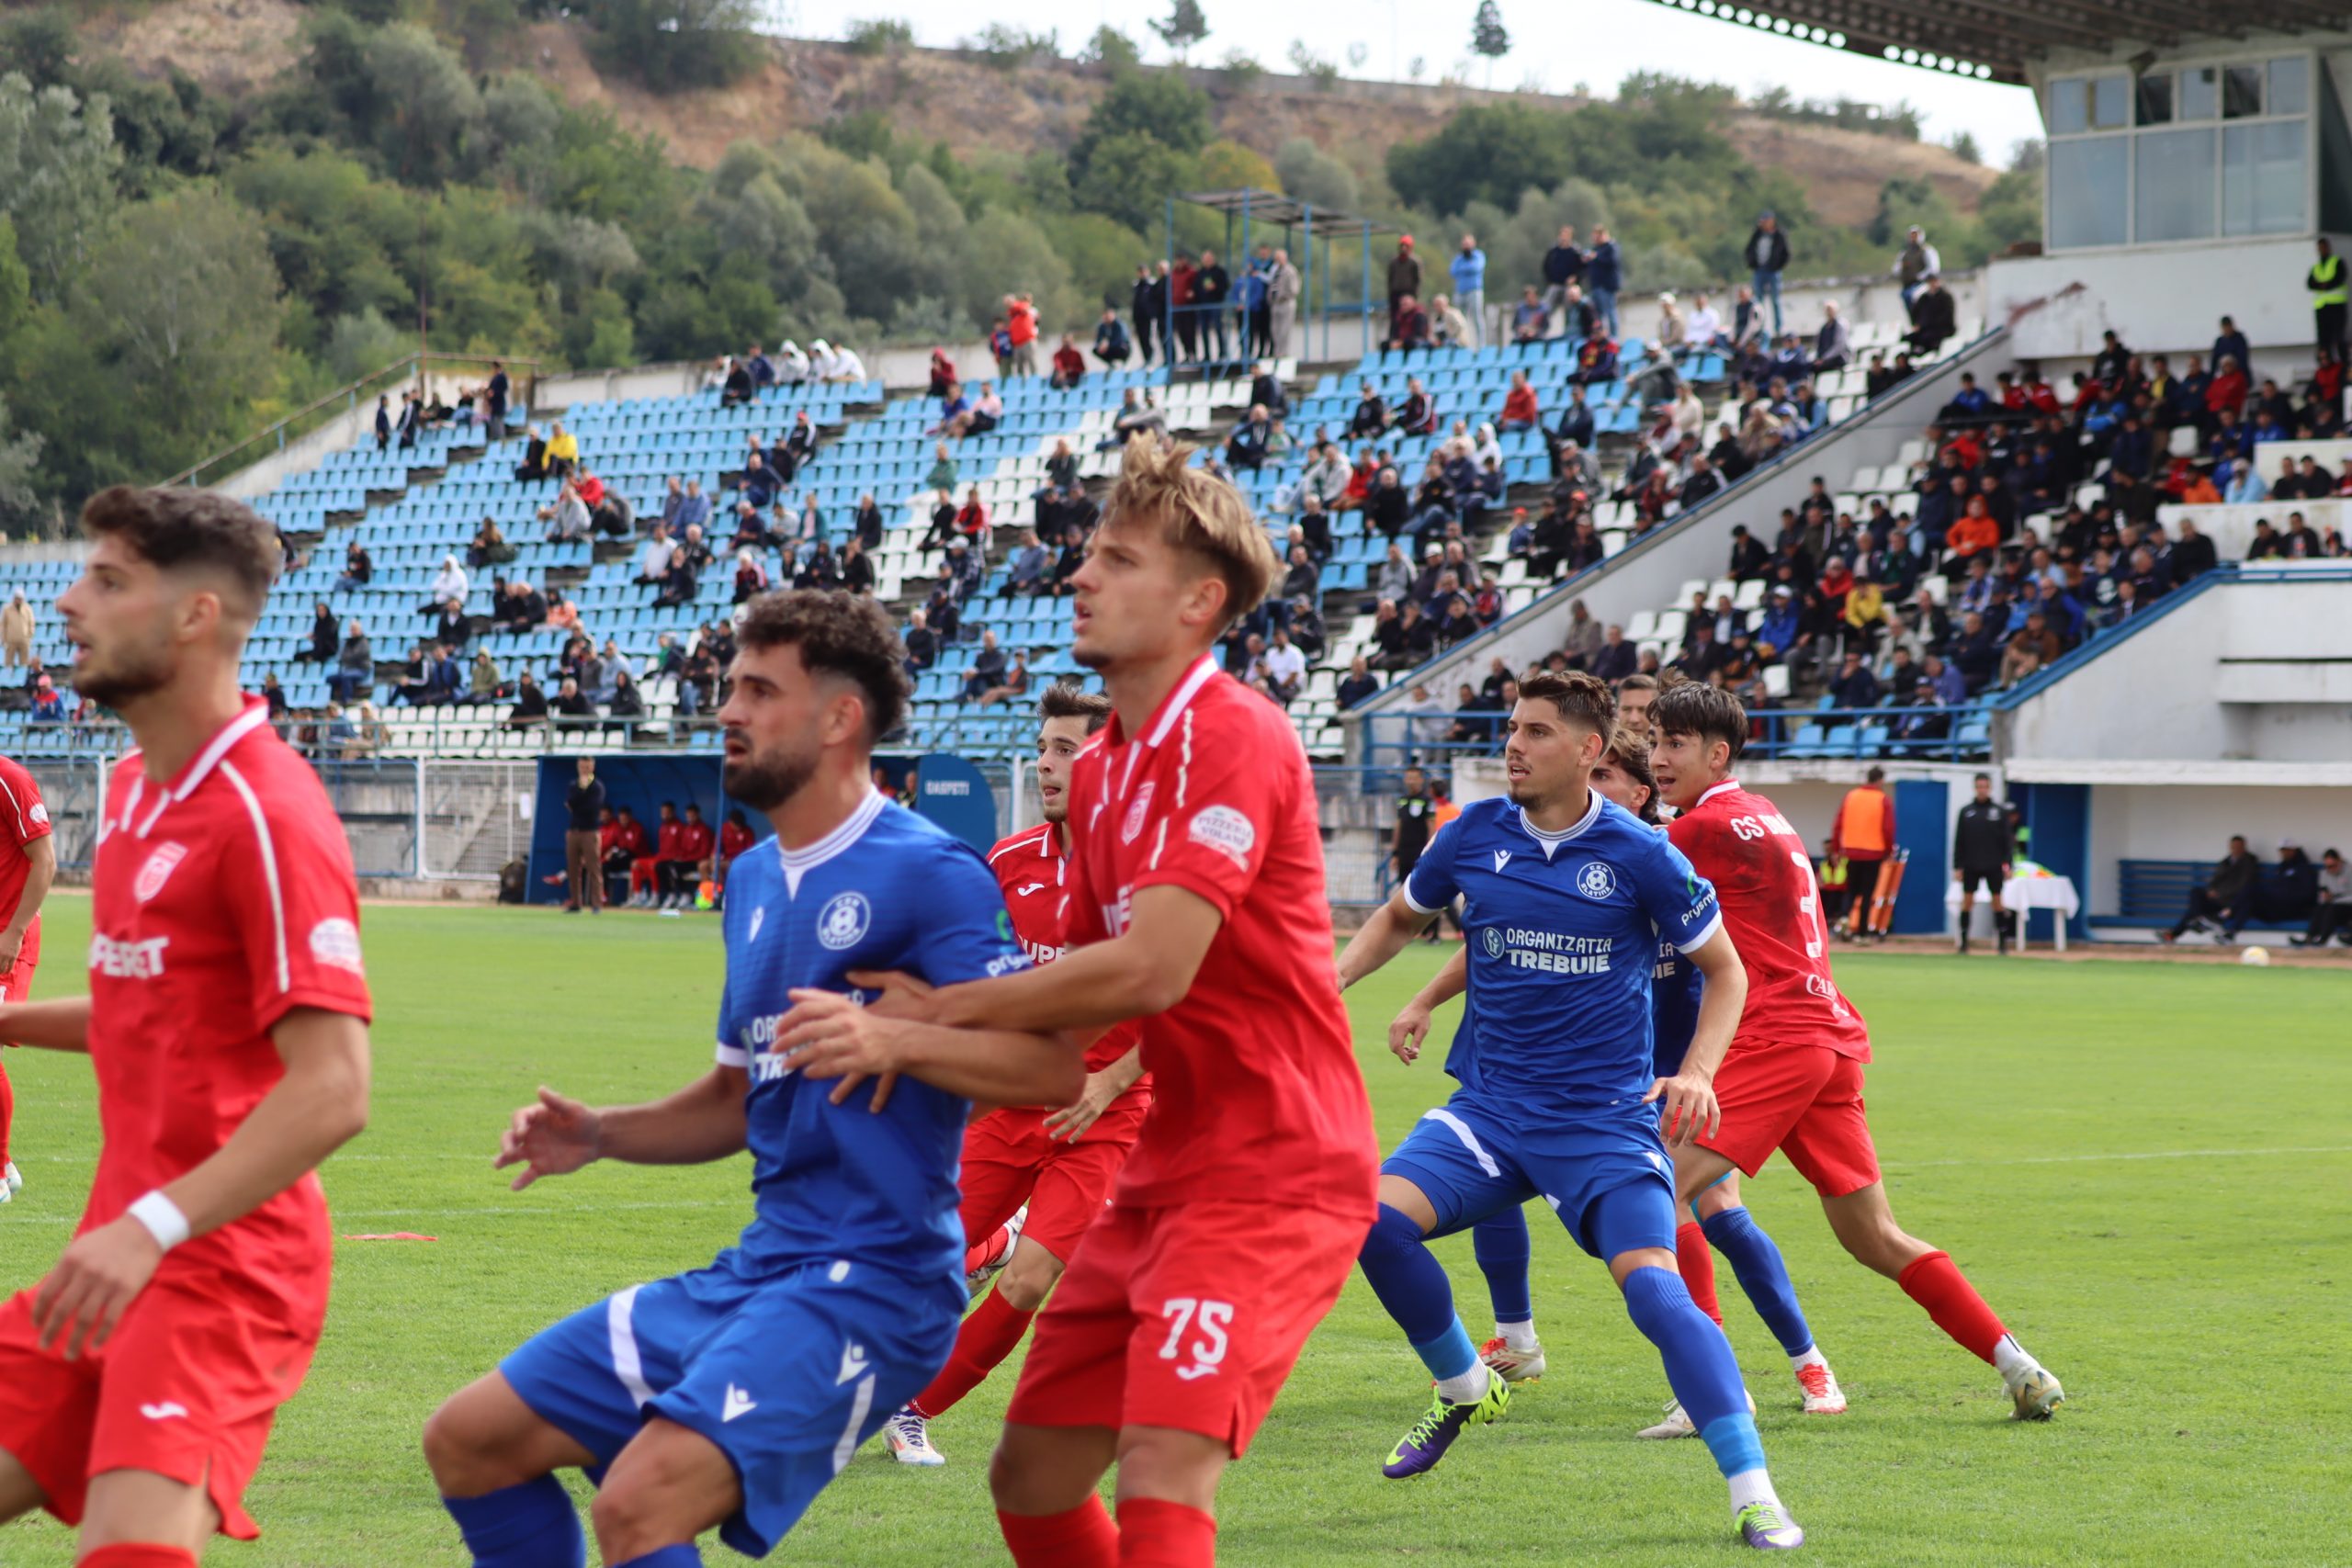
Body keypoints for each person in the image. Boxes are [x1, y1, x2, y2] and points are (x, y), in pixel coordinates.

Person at [421, 592, 1075, 1568]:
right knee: (469, 1441)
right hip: (765, 1266)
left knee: (638, 1507)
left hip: (877, 1283)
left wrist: (898, 1043)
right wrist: (600, 1133)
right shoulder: (758, 881)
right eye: (730, 686)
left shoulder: (930, 872)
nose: (727, 709)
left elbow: (1051, 1067)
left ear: (840, 719)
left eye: (759, 691)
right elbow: (736, 1097)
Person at [854, 435, 1379, 1567]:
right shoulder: (1098, 774)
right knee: (1032, 1476)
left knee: (1161, 1465)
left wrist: (941, 1013)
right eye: (1088, 555)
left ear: (1199, 600)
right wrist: (894, 1054)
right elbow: (1079, 1031)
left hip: (1276, 1169)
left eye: (1117, 560)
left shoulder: (1234, 731)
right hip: (1164, 1166)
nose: (1080, 577)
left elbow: (1152, 969)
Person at [1332, 672, 1804, 1548]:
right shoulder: (1472, 834)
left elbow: (1728, 971)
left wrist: (1697, 1071)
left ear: (1588, 750)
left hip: (1601, 1121)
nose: (1513, 744)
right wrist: (1333, 982)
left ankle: (1754, 1490)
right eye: (1512, 728)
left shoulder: (1641, 854)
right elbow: (1401, 916)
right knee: (1368, 1222)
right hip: (1493, 1110)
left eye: (1537, 731)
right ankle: (1465, 1383)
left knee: (1658, 1294)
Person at [0, 486, 374, 1562]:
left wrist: (151, 1228)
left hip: (220, 1268)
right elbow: (140, 1009)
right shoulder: (131, 791)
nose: (68, 602)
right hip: (108, 1257)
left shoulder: (266, 809)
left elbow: (336, 1086)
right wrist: (6, 1022)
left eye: (108, 580)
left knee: (132, 1550)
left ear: (196, 616)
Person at [1381, 730, 1840, 1429]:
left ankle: (1799, 1364)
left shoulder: (1657, 854)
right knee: (1485, 1180)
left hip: (1652, 1074)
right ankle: (1520, 1334)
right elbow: (1503, 932)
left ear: (1636, 792)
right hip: (1544, 1064)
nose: (1596, 782)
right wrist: (1424, 998)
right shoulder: (1548, 842)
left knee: (1713, 1211)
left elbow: (1724, 968)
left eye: (1609, 773)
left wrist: (1696, 1069)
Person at [1647, 681, 2065, 1427]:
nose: (1657, 757)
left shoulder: (1705, 826)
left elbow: (1624, 864)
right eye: (1653, 743)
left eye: (1673, 744)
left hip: (1781, 1035)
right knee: (1874, 1234)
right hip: (1831, 1039)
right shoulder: (1767, 814)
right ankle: (2018, 1363)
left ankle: (1708, 1392)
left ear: (1718, 753)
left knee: (1656, 1188)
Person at [882, 686, 1150, 1467]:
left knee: (1032, 1281)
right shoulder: (1009, 861)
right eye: (1042, 747)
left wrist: (1107, 1083)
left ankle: (913, 1409)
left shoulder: (1149, 878)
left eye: (1066, 749)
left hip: (1105, 1116)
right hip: (1007, 1107)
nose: (1045, 763)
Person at [0, 749, 55, 1202]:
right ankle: (6, 1165)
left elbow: (46, 861)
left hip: (6, 939)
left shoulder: (9, 779)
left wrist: (13, 934)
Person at [1830, 766, 1895, 941]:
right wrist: (1889, 851)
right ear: (1880, 780)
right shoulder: (1883, 799)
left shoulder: (1851, 796)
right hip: (1874, 853)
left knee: (1850, 891)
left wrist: (1836, 849)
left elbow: (1838, 824)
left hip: (1851, 851)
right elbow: (1888, 828)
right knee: (1867, 894)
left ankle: (1844, 919)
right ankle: (1862, 933)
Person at [1951, 773, 2012, 954]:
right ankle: (1963, 942)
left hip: (1993, 864)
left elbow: (2007, 841)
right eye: (1979, 786)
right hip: (1971, 864)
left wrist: (2008, 865)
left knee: (1997, 902)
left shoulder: (1998, 812)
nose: (1982, 790)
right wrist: (1958, 866)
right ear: (1975, 788)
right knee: (1967, 902)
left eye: (1985, 786)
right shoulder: (1966, 811)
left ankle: (2002, 943)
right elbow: (1959, 840)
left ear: (1990, 788)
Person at [2160, 834, 2260, 943]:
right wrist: (2210, 890)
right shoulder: (2225, 862)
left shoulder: (2249, 861)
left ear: (2244, 847)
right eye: (2233, 847)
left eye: (2238, 847)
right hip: (2217, 901)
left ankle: (2179, 931)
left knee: (2246, 902)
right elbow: (2214, 880)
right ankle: (2200, 919)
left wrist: (2220, 893)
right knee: (2196, 893)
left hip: (2232, 904)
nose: (2236, 849)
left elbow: (2243, 885)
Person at [563, 757, 606, 914]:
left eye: (587, 766)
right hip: (574, 830)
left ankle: (596, 903)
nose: (584, 769)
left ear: (592, 767)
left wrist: (580, 797)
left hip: (590, 831)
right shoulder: (574, 785)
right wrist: (581, 793)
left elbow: (592, 807)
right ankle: (576, 902)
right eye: (582, 766)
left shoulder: (597, 787)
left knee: (593, 868)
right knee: (573, 869)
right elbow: (570, 803)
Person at [2291, 847, 2351, 946]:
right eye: (2328, 866)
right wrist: (2325, 898)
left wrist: (2335, 899)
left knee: (2332, 909)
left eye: (2333, 866)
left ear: (2339, 861)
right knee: (2320, 909)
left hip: (2347, 906)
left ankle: (2323, 939)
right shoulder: (2324, 874)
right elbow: (2321, 895)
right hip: (2332, 906)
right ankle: (2309, 937)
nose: (2331, 869)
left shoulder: (2349, 871)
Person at [1745, 212, 1788, 335]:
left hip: (1773, 271)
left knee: (1775, 299)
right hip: (1759, 270)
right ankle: (1760, 327)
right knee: (1758, 301)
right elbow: (1749, 250)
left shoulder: (1779, 235)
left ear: (1772, 221)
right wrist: (1752, 264)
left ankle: (1778, 328)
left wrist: (1777, 266)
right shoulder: (1757, 234)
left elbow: (1786, 253)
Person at [2311, 237, 2346, 367]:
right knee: (2323, 340)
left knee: (2338, 337)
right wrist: (2323, 285)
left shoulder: (2336, 261)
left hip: (2336, 305)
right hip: (2321, 306)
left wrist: (2325, 285)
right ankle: (2326, 364)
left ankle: (2343, 364)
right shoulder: (2316, 266)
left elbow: (2340, 277)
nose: (2321, 250)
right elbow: (2310, 283)